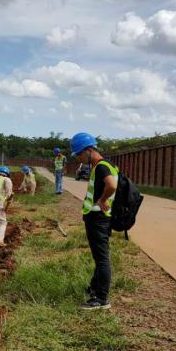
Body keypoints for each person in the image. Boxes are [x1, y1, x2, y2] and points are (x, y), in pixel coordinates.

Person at [71, 132, 118, 311]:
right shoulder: (106, 165)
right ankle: (94, 288)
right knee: (99, 257)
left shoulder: (101, 167)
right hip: (101, 219)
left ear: (89, 150)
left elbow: (111, 185)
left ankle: (101, 299)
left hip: (98, 219)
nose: (79, 158)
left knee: (102, 258)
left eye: (79, 154)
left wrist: (102, 199)